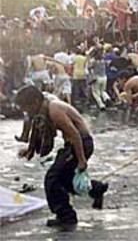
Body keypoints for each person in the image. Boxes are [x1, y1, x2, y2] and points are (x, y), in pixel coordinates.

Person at [15, 85, 108, 228]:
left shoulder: (54, 109)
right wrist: (29, 149)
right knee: (64, 179)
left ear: (33, 102)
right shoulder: (45, 108)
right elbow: (37, 131)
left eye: (25, 108)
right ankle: (96, 189)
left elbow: (75, 134)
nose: (25, 112)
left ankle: (66, 216)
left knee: (52, 178)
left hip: (80, 143)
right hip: (73, 145)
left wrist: (82, 160)